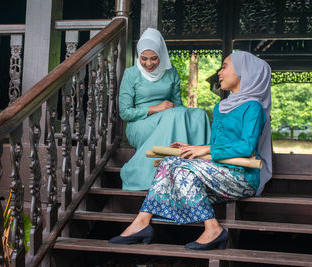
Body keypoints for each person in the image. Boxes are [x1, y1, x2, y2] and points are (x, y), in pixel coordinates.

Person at [110, 51, 272, 250]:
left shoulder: (253, 107)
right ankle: (142, 222)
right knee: (169, 161)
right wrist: (188, 149)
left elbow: (246, 147)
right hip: (217, 175)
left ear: (243, 72)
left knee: (181, 170)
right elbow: (216, 147)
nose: (219, 72)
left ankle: (211, 228)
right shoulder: (220, 107)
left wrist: (203, 149)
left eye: (224, 66)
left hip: (242, 177)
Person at [119, 28, 211, 191]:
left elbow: (178, 105)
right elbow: (125, 113)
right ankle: (156, 176)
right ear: (138, 56)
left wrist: (184, 115)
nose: (148, 64)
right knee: (174, 115)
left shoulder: (171, 72)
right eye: (144, 58)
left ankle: (199, 170)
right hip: (140, 124)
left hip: (170, 117)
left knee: (198, 114)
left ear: (161, 54)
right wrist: (154, 109)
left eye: (154, 58)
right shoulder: (131, 74)